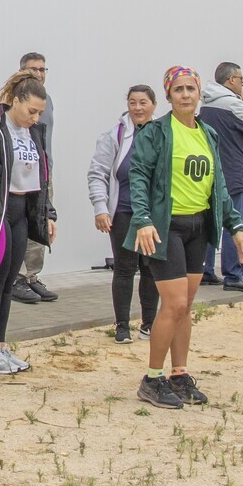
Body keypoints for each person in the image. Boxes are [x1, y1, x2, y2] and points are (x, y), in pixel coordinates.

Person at [120, 67, 243, 409]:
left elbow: (217, 184)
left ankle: (179, 374)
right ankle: (152, 378)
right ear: (169, 95)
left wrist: (235, 226)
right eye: (179, 89)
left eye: (191, 88)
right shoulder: (156, 132)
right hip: (166, 228)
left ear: (199, 93)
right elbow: (139, 175)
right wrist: (143, 219)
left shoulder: (208, 133)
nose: (186, 94)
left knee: (185, 307)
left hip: (198, 227)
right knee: (174, 304)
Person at [0, 71, 55, 373]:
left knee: (8, 283)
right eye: (31, 111)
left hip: (20, 213)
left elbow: (40, 177)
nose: (35, 117)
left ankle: (0, 346)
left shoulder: (34, 133)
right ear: (14, 101)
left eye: (40, 113)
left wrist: (48, 214)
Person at [88, 84, 158, 342]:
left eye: (143, 102)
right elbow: (97, 173)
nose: (138, 108)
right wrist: (101, 208)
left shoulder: (163, 133)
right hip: (124, 212)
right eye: (132, 102)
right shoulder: (114, 136)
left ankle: (149, 323)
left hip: (153, 215)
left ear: (154, 105)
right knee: (125, 268)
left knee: (151, 268)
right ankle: (122, 326)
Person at [199, 62, 243, 289]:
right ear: (231, 81)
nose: (242, 84)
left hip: (213, 173)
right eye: (241, 79)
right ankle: (233, 274)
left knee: (210, 222)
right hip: (236, 171)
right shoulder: (233, 104)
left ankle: (205, 270)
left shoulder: (206, 104)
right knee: (235, 224)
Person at [9, 53, 60, 304]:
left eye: (42, 69)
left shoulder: (47, 101)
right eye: (33, 69)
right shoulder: (13, 101)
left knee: (40, 226)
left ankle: (31, 276)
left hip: (43, 171)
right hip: (20, 174)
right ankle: (16, 278)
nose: (39, 74)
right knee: (19, 225)